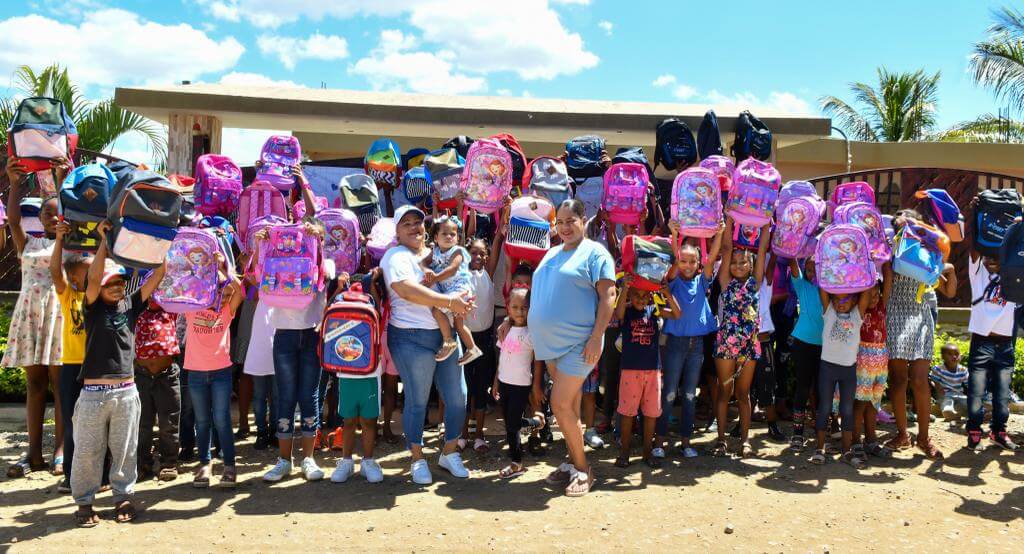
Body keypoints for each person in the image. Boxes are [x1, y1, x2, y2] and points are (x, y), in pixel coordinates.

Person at [72, 224, 161, 526]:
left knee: (125, 450)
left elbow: (158, 273)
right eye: (111, 281)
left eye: (120, 281)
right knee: (87, 450)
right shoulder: (93, 308)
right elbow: (93, 279)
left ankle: (123, 496)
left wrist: (153, 238)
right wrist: (103, 243)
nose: (117, 285)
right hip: (93, 395)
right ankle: (84, 502)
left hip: (125, 392)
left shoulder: (130, 305)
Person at [527, 199, 615, 497]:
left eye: (570, 221)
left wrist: (595, 337)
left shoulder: (595, 253)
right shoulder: (552, 252)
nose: (564, 227)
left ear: (583, 219)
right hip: (551, 346)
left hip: (580, 343)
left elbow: (608, 297)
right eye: (560, 222)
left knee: (560, 405)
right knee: (571, 409)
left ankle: (583, 469)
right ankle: (571, 460)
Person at [382, 204, 474, 485]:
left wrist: (464, 298)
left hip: (445, 335)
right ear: (397, 231)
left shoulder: (437, 254)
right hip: (410, 336)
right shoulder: (394, 256)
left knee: (458, 396)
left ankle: (449, 452)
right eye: (406, 223)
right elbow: (406, 290)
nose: (413, 227)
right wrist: (449, 302)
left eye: (418, 222)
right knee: (417, 400)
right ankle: (417, 457)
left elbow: (459, 279)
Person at [262, 168, 332, 482]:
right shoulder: (275, 252)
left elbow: (315, 215)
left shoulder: (325, 263)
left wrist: (303, 183)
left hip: (312, 333)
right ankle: (283, 460)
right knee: (285, 396)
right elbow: (256, 271)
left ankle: (308, 459)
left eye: (315, 232)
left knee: (309, 397)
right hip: (285, 336)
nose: (308, 234)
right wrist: (263, 242)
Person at [3, 158, 69, 478]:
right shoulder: (27, 243)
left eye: (58, 212)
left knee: (59, 385)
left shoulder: (68, 244)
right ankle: (33, 454)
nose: (52, 217)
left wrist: (62, 178)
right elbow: (13, 221)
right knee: (34, 384)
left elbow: (68, 213)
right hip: (30, 316)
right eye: (46, 212)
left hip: (57, 314)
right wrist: (15, 183)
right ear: (39, 217)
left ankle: (59, 450)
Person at [886, 210, 957, 460]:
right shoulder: (891, 248)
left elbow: (949, 291)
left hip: (920, 314)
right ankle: (903, 434)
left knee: (919, 380)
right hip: (895, 313)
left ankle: (924, 438)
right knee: (897, 379)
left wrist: (948, 267)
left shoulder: (930, 252)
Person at [658, 221, 722, 458]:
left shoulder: (702, 281)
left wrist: (720, 234)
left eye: (691, 261)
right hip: (675, 343)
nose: (686, 265)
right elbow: (674, 263)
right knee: (669, 393)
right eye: (683, 260)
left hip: (697, 345)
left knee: (689, 394)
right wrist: (676, 235)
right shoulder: (673, 282)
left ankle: (686, 442)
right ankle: (660, 440)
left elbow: (713, 256)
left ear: (698, 264)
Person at [711, 216, 770, 457]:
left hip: (749, 346)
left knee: (743, 395)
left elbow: (763, 248)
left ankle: (745, 441)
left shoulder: (756, 283)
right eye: (734, 262)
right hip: (726, 344)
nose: (737, 265)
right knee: (725, 393)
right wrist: (729, 221)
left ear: (751, 264)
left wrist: (765, 224)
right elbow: (726, 249)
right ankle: (722, 440)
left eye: (742, 262)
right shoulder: (725, 282)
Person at [183, 259, 243, 488]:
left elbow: (240, 289)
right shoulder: (192, 307)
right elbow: (187, 284)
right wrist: (206, 270)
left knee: (222, 420)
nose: (219, 294)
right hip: (196, 372)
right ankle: (204, 465)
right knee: (202, 421)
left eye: (222, 290)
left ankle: (229, 465)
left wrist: (223, 268)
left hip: (221, 372)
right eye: (214, 289)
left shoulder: (227, 311)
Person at [614, 278, 681, 468]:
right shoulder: (626, 312)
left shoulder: (654, 311)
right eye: (637, 295)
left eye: (645, 295)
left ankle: (647, 452)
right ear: (631, 296)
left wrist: (667, 294)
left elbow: (677, 314)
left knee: (651, 414)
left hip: (652, 371)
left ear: (651, 296)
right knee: (627, 414)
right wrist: (625, 289)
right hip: (630, 371)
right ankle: (624, 453)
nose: (641, 299)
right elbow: (617, 312)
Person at [49, 220, 91, 492]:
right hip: (71, 367)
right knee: (73, 422)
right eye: (87, 272)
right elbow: (55, 272)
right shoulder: (69, 296)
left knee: (97, 425)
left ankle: (101, 474)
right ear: (74, 277)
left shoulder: (98, 295)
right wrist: (59, 240)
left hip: (96, 369)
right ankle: (70, 475)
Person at [965, 246, 1019, 451]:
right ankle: (974, 431)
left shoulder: (1015, 277)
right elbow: (975, 249)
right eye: (989, 256)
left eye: (999, 256)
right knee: (976, 392)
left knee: (1002, 394)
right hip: (982, 342)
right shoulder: (977, 273)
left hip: (1005, 344)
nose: (993, 260)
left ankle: (998, 431)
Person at [810, 290, 871, 468]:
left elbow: (866, 295)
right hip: (827, 368)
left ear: (854, 301)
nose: (840, 303)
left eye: (845, 299)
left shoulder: (856, 316)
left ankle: (846, 451)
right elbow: (822, 290)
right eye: (837, 299)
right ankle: (819, 448)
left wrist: (869, 270)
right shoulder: (829, 312)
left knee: (847, 409)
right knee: (825, 407)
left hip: (848, 371)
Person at [492, 287, 544, 478]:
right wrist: (496, 382)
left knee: (512, 424)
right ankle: (536, 422)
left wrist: (536, 386)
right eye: (515, 307)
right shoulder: (504, 330)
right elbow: (502, 358)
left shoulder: (533, 333)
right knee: (510, 423)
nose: (520, 311)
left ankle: (516, 463)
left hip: (521, 385)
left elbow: (538, 362)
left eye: (525, 307)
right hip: (504, 383)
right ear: (508, 308)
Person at [134, 282, 183, 482]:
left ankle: (169, 462)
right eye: (151, 292)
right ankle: (142, 463)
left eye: (159, 292)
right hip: (142, 376)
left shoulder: (171, 312)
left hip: (167, 376)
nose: (155, 296)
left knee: (168, 423)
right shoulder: (135, 312)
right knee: (142, 424)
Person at [421, 215, 482, 365]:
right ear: (436, 237)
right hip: (451, 292)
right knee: (459, 325)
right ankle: (473, 348)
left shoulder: (458, 251)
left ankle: (449, 341)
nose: (449, 237)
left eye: (452, 234)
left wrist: (434, 278)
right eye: (444, 233)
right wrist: (425, 269)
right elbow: (423, 262)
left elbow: (452, 269)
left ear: (457, 237)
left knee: (437, 310)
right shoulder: (434, 251)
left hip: (460, 291)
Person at [461, 236, 501, 453]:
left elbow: (496, 247)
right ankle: (463, 434)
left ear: (487, 257)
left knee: (480, 387)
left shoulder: (489, 274)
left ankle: (479, 435)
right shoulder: (462, 274)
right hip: (465, 340)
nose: (477, 256)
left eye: (481, 253)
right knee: (465, 387)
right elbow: (459, 242)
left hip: (484, 340)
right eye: (473, 252)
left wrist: (501, 226)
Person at [852, 275, 894, 461]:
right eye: (870, 294)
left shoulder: (882, 306)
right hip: (863, 360)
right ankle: (855, 441)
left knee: (873, 403)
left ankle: (871, 441)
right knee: (860, 402)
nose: (874, 298)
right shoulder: (858, 310)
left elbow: (888, 278)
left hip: (880, 360)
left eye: (877, 293)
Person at [787, 257, 824, 451]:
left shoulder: (831, 290)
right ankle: (797, 434)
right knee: (803, 388)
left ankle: (821, 434)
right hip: (803, 343)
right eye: (809, 270)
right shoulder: (802, 285)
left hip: (825, 346)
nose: (813, 274)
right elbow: (793, 261)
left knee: (821, 389)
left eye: (816, 269)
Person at [930, 343, 968, 422]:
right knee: (947, 402)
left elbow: (968, 384)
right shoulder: (938, 369)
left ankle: (980, 413)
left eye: (957, 354)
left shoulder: (963, 370)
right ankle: (948, 412)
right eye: (950, 354)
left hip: (959, 395)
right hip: (945, 394)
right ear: (943, 357)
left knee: (967, 402)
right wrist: (939, 389)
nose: (954, 356)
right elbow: (934, 381)